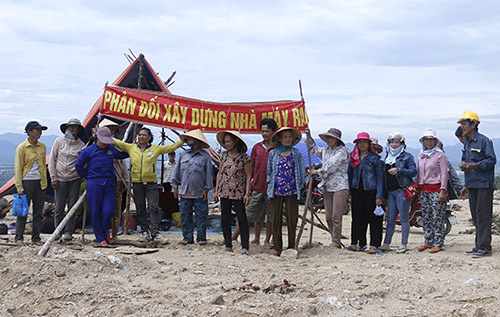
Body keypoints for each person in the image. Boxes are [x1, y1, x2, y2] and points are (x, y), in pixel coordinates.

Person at [113, 127, 183, 242]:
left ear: (149, 137)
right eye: (140, 135)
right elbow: (118, 143)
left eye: (144, 135)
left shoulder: (155, 149)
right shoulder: (131, 148)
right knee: (140, 209)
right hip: (137, 183)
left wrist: (183, 140)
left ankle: (154, 232)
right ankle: (144, 231)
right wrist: (103, 134)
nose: (141, 137)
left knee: (153, 207)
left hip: (151, 184)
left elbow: (172, 147)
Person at [75, 127, 128, 247]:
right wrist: (86, 176)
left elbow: (120, 155)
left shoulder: (110, 149)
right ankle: (100, 238)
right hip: (94, 183)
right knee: (95, 211)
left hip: (109, 183)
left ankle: (104, 233)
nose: (104, 143)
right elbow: (78, 165)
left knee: (108, 210)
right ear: (97, 138)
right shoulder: (88, 151)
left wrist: (133, 148)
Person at [232, 118, 277, 247]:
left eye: (267, 131)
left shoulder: (277, 148)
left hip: (272, 189)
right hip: (257, 186)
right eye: (262, 131)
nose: (264, 134)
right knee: (250, 214)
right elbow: (251, 167)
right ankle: (237, 237)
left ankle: (268, 240)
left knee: (271, 217)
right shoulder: (257, 147)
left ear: (273, 131)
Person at [457, 111, 496, 257]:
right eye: (461, 124)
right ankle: (479, 244)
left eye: (464, 124)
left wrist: (475, 165)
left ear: (474, 125)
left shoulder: (485, 141)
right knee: (475, 215)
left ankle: (485, 248)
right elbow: (466, 163)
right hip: (472, 184)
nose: (462, 127)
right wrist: (466, 184)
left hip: (484, 184)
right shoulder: (467, 141)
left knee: (483, 215)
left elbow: (491, 160)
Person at [305, 127, 350, 248]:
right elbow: (313, 150)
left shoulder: (342, 151)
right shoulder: (326, 150)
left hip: (340, 187)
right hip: (327, 186)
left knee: (336, 216)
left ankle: (335, 241)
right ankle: (335, 238)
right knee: (328, 216)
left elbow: (331, 166)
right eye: (327, 138)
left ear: (336, 140)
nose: (328, 140)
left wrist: (317, 171)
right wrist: (309, 137)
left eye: (330, 138)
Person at [267, 127, 305, 256]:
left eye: (290, 136)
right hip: (276, 191)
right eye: (285, 137)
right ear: (279, 139)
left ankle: (291, 246)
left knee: (292, 219)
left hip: (292, 191)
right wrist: (269, 189)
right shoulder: (273, 153)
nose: (288, 139)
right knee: (276, 219)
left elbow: (300, 171)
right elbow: (269, 172)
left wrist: (299, 187)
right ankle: (277, 247)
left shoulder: (297, 153)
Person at [171, 129, 214, 245]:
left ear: (197, 141)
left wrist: (206, 189)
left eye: (190, 139)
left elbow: (209, 175)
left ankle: (201, 238)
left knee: (201, 216)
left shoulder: (205, 157)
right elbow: (177, 172)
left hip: (199, 192)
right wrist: (175, 186)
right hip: (185, 191)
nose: (188, 141)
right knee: (185, 216)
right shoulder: (183, 155)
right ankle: (187, 238)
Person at [213, 131, 252, 254]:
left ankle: (245, 246)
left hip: (239, 192)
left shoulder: (244, 158)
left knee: (241, 219)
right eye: (225, 142)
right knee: (225, 219)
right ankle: (228, 244)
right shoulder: (223, 156)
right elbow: (219, 173)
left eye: (229, 141)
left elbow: (248, 175)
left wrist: (247, 193)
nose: (226, 144)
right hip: (224, 192)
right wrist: (216, 191)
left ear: (235, 141)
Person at [379, 132, 417, 254]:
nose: (394, 145)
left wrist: (399, 170)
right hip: (391, 192)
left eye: (396, 142)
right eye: (392, 142)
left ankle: (404, 244)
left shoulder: (407, 156)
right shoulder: (386, 157)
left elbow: (413, 171)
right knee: (390, 219)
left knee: (404, 218)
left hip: (402, 190)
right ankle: (386, 243)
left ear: (402, 143)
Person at [48, 118, 86, 241]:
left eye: (75, 127)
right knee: (59, 207)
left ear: (78, 130)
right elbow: (52, 160)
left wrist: (81, 175)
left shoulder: (81, 145)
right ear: (67, 128)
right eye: (70, 127)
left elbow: (82, 163)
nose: (72, 129)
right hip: (59, 179)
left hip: (74, 178)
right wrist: (53, 178)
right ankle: (57, 232)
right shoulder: (59, 141)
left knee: (72, 207)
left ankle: (68, 232)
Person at [347, 132, 384, 254]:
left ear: (369, 144)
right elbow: (349, 175)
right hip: (357, 191)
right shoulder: (353, 158)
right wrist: (350, 193)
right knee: (357, 218)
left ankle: (374, 245)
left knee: (374, 219)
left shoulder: (375, 159)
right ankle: (356, 243)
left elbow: (380, 178)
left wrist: (379, 195)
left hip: (371, 191)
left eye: (364, 142)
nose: (362, 144)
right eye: (360, 142)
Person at [14, 121, 48, 245]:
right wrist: (19, 186)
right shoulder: (22, 147)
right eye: (37, 130)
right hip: (27, 181)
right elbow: (18, 168)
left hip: (40, 181)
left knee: (38, 212)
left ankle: (36, 238)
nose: (40, 132)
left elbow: (43, 165)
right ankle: (19, 237)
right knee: (23, 211)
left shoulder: (42, 146)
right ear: (29, 132)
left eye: (40, 130)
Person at [416, 128, 448, 253]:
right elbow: (419, 172)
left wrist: (443, 190)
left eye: (431, 140)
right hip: (424, 190)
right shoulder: (421, 155)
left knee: (438, 216)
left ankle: (438, 242)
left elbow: (444, 174)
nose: (428, 142)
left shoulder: (440, 155)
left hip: (436, 189)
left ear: (435, 141)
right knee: (426, 216)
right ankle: (428, 241)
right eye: (426, 140)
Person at [98, 118, 129, 242]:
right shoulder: (97, 145)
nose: (111, 131)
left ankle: (113, 234)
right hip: (101, 180)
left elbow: (122, 161)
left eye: (112, 129)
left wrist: (125, 180)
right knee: (102, 209)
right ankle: (103, 234)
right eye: (109, 128)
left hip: (116, 180)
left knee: (116, 209)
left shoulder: (114, 145)